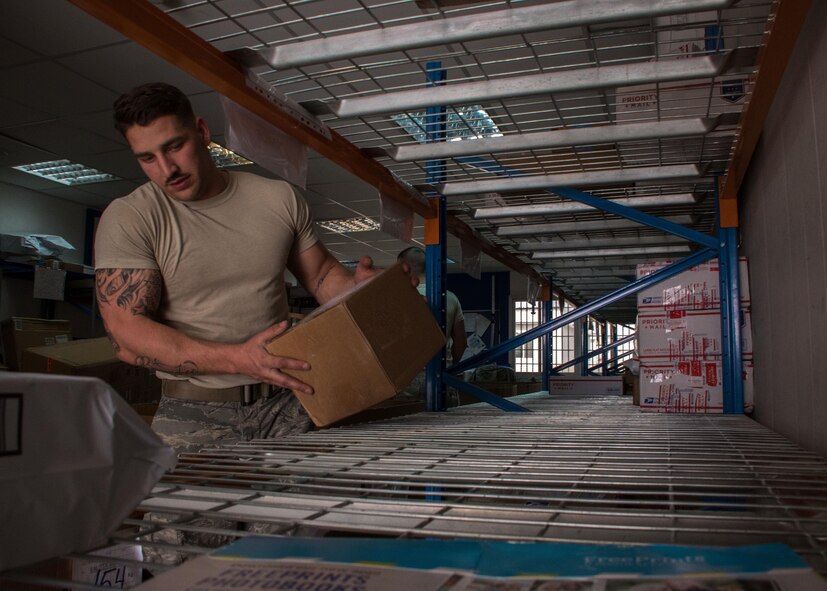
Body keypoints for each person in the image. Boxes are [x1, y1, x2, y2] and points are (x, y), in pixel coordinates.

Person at [94, 82, 391, 453]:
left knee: (317, 491)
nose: (167, 169)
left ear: (202, 132)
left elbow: (321, 276)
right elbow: (126, 334)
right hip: (194, 411)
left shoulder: (278, 198)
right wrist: (238, 359)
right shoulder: (131, 217)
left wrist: (362, 289)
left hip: (288, 401)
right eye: (147, 158)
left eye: (174, 146)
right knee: (187, 495)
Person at [397, 246, 467, 366]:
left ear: (405, 268)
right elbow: (461, 341)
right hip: (443, 369)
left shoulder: (398, 298)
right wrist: (449, 365)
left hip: (409, 369)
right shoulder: (450, 298)